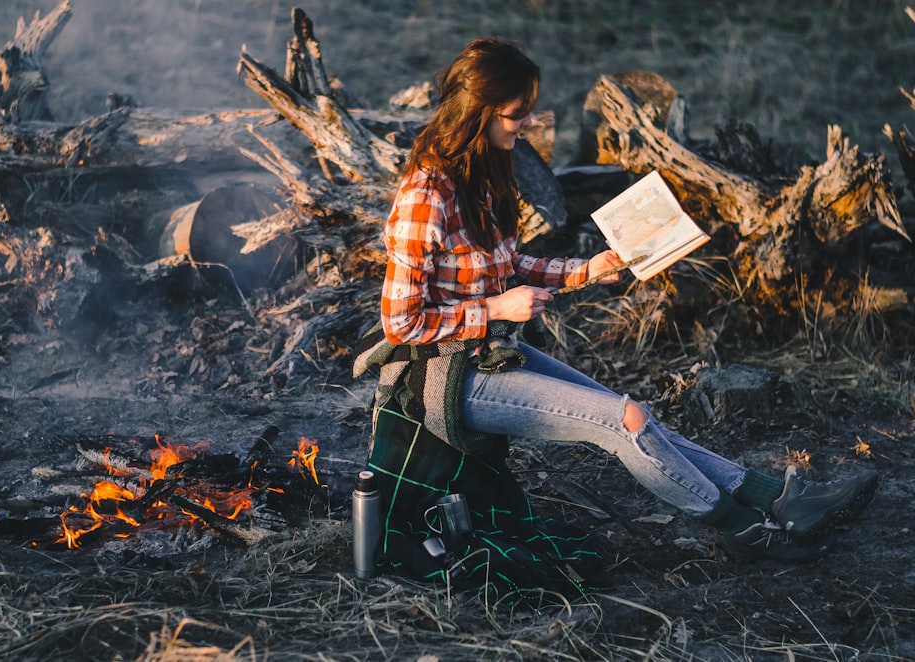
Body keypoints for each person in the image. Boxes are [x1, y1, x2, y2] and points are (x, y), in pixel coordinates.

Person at [354, 37, 877, 586]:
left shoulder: (481, 173)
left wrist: (589, 268)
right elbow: (401, 322)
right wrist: (493, 309)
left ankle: (778, 498)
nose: (528, 122)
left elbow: (509, 264)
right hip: (444, 377)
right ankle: (745, 531)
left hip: (492, 355)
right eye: (517, 112)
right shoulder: (426, 192)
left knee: (633, 413)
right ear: (477, 112)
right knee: (622, 421)